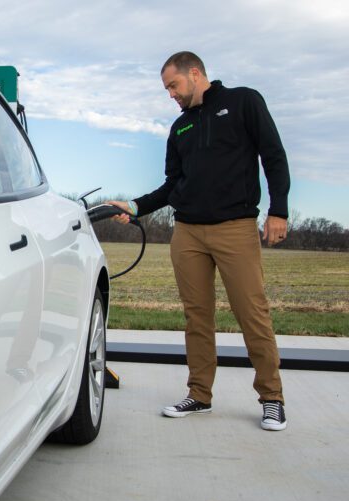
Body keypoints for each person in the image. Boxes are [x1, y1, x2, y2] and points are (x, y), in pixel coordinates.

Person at [109, 51, 290, 431]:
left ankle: (272, 398)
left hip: (235, 228)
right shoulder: (180, 129)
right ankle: (199, 395)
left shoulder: (243, 102)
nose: (170, 94)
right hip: (187, 232)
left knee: (252, 314)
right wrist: (135, 206)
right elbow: (172, 185)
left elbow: (273, 156)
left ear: (195, 74)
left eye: (173, 85)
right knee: (197, 317)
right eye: (166, 89)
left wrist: (279, 210)